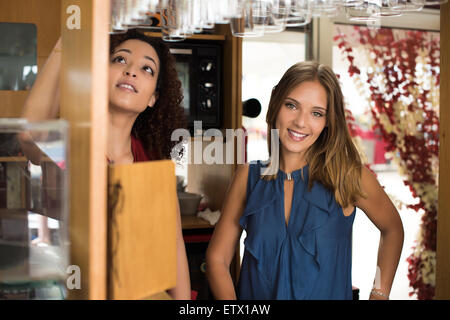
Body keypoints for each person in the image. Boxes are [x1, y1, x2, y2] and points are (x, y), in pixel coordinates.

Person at [205, 61, 404, 300]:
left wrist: (379, 293)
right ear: (276, 102)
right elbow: (217, 259)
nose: (301, 122)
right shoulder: (248, 177)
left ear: (328, 121)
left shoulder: (349, 176)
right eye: (291, 105)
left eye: (316, 113)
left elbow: (393, 230)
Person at [21, 29, 191, 299]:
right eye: (120, 60)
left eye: (147, 68)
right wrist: (70, 35)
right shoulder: (72, 145)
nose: (131, 71)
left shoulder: (153, 160)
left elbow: (174, 245)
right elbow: (28, 134)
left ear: (152, 98)